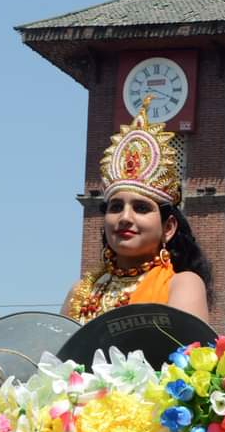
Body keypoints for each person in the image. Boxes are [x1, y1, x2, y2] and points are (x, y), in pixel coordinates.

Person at [62, 97, 212, 324]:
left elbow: (185, 354)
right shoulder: (81, 292)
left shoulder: (181, 284)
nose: (124, 217)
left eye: (141, 208)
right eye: (116, 207)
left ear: (168, 227)